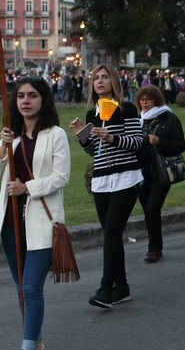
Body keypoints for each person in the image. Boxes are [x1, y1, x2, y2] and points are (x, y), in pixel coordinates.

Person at [1, 77, 70, 350]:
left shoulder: (55, 134)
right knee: (22, 290)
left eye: (32, 95)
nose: (25, 101)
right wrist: (2, 148)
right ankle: (37, 342)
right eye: (20, 96)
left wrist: (26, 188)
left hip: (41, 220)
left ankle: (28, 346)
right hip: (10, 223)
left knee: (30, 287)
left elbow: (61, 177)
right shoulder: (10, 137)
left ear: (43, 100)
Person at [70, 64, 144, 309]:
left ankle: (105, 288)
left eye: (104, 77)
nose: (100, 81)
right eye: (96, 78)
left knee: (112, 232)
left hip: (125, 177)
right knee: (111, 235)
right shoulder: (93, 114)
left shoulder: (127, 108)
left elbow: (136, 143)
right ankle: (121, 287)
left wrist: (112, 137)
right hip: (102, 179)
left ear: (114, 81)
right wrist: (84, 136)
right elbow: (95, 152)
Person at [135, 84, 185, 263]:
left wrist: (159, 141)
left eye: (148, 99)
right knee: (148, 212)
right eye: (142, 99)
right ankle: (154, 245)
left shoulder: (168, 117)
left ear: (156, 100)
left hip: (162, 172)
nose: (145, 102)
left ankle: (154, 249)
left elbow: (181, 145)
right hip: (141, 172)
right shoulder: (138, 119)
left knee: (152, 208)